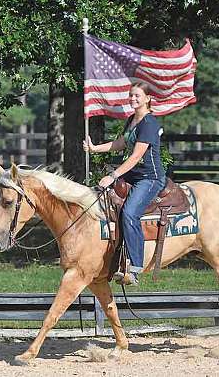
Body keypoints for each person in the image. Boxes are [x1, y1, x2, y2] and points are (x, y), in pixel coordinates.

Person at [83, 82, 166, 285]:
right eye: (131, 96)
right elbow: (121, 143)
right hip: (132, 176)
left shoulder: (149, 123)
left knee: (130, 213)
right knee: (100, 197)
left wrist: (113, 176)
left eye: (137, 96)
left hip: (149, 177)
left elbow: (136, 155)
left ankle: (135, 268)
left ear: (147, 99)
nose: (133, 99)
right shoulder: (132, 120)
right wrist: (95, 148)